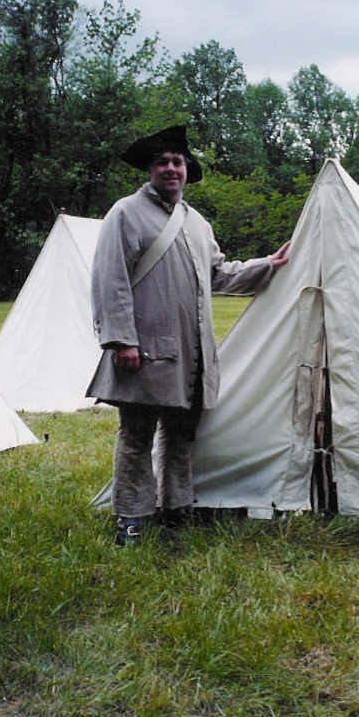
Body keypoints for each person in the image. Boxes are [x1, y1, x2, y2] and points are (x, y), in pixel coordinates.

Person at [86, 125, 289, 546]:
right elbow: (111, 280)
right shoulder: (124, 213)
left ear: (186, 168)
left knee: (181, 436)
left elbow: (219, 273)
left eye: (178, 162)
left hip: (191, 354)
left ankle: (177, 508)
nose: (171, 168)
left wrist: (268, 264)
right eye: (163, 162)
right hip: (142, 351)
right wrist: (122, 341)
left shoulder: (197, 223)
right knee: (136, 437)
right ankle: (132, 517)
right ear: (150, 169)